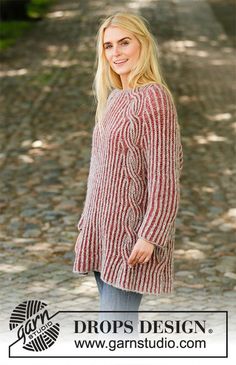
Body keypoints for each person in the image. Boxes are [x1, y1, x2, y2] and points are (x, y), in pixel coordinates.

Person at [73, 12, 184, 339]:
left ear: (143, 45)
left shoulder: (154, 97)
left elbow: (165, 176)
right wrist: (86, 227)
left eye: (124, 42)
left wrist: (151, 234)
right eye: (108, 46)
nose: (116, 52)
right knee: (116, 332)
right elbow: (100, 174)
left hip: (131, 238)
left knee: (116, 335)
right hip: (102, 232)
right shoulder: (114, 98)